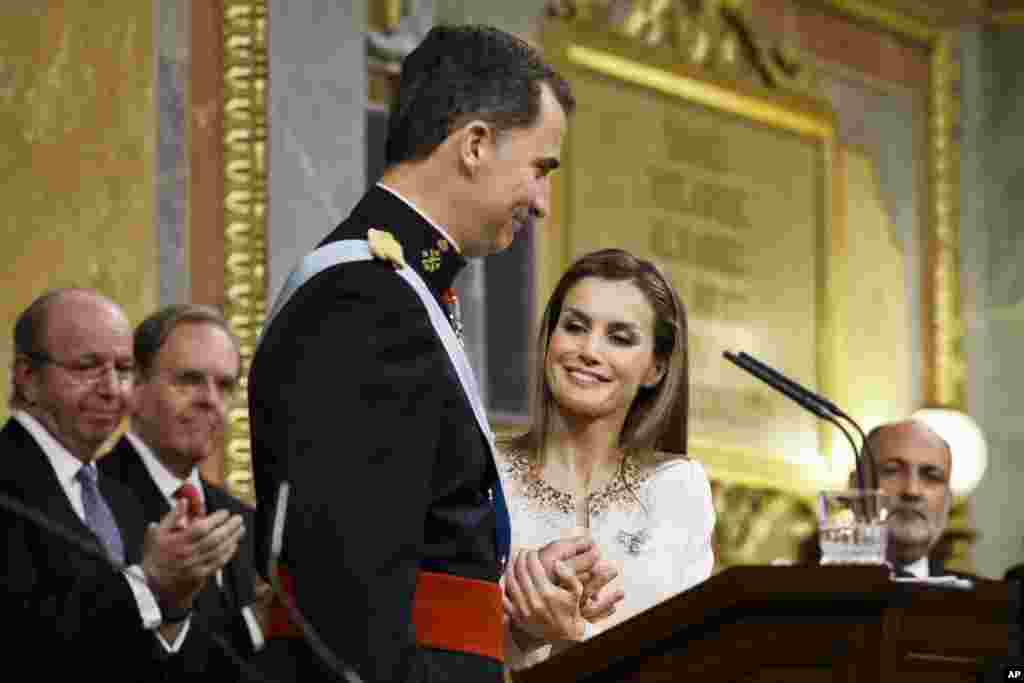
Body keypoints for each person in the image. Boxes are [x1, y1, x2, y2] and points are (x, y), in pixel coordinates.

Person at [248, 24, 611, 683]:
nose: (543, 202)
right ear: (474, 144)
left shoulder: (403, 293)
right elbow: (349, 609)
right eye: (539, 168)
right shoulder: (366, 301)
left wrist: (512, 617)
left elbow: (418, 576)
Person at [0, 289, 245, 680]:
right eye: (88, 367)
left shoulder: (109, 495)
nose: (112, 388)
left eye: (123, 369)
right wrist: (149, 583)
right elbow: (24, 643)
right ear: (28, 377)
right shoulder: (10, 482)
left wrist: (175, 604)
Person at [497, 249, 716, 668]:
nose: (589, 350)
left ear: (656, 368)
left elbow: (679, 657)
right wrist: (524, 631)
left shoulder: (676, 488)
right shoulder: (483, 466)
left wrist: (574, 635)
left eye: (620, 337)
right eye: (575, 327)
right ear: (549, 340)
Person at [99, 304, 267, 681]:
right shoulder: (91, 500)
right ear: (135, 388)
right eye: (189, 381)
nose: (210, 399)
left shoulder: (245, 520)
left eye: (224, 386)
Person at [863, 419, 953, 577]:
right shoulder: (810, 591)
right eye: (892, 471)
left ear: (948, 500)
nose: (912, 491)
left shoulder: (984, 598)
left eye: (931, 476)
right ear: (855, 486)